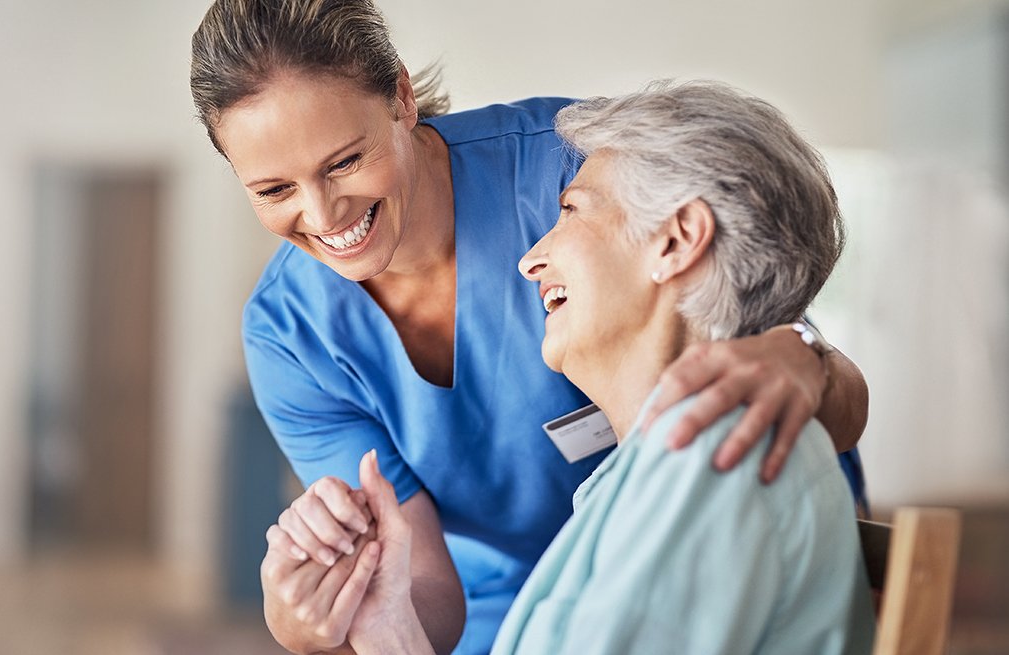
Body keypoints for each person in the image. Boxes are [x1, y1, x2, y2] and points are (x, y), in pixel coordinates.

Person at [188, 1, 870, 652]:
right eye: (274, 190)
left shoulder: (582, 167)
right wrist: (325, 613)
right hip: (527, 606)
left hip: (706, 544)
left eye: (344, 162)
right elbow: (408, 581)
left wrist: (801, 352)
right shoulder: (290, 330)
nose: (323, 214)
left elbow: (757, 306)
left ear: (401, 97)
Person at [345, 81, 876, 654]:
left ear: (676, 240)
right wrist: (388, 630)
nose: (529, 260)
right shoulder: (658, 466)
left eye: (571, 210)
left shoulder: (712, 455)